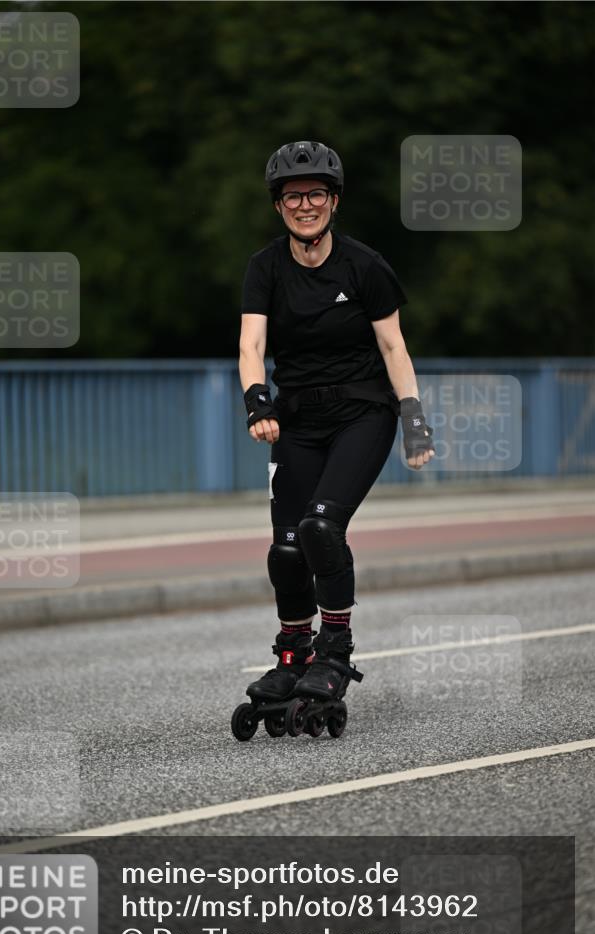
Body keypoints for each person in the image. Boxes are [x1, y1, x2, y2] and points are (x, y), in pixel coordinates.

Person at [237, 140, 434, 732]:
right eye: (293, 196)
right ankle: (293, 653)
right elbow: (251, 345)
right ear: (279, 205)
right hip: (297, 420)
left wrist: (413, 418)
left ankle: (335, 648)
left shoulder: (364, 266)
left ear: (334, 200)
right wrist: (257, 403)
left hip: (361, 414)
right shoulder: (266, 267)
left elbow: (393, 346)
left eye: (316, 194)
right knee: (286, 549)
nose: (305, 205)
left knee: (321, 528)